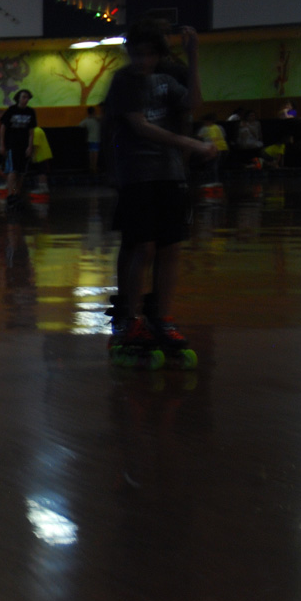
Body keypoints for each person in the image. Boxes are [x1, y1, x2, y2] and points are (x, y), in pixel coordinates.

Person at [103, 21, 215, 361]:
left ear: (160, 54)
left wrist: (193, 55)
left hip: (170, 173)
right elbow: (140, 126)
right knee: (143, 246)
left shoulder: (168, 78)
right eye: (137, 54)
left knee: (170, 247)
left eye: (149, 54)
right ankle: (131, 318)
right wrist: (190, 144)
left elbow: (192, 102)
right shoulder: (124, 81)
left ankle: (162, 317)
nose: (143, 61)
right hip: (137, 173)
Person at [0, 89, 37, 204]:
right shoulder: (11, 110)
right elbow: (3, 128)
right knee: (13, 171)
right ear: (18, 98)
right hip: (12, 145)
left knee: (21, 173)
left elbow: (31, 131)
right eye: (24, 97)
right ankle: (10, 194)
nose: (26, 100)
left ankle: (16, 193)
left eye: (27, 98)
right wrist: (2, 145)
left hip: (24, 146)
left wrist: (30, 147)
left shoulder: (30, 112)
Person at [196, 113, 228, 186]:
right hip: (222, 148)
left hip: (211, 149)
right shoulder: (219, 127)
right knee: (215, 165)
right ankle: (215, 180)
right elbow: (224, 137)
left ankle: (212, 181)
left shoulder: (204, 129)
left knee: (211, 166)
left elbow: (199, 137)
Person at [79, 106, 102, 178]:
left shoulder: (87, 120)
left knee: (91, 153)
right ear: (94, 112)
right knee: (95, 153)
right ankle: (94, 168)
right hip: (96, 139)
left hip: (90, 139)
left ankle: (91, 167)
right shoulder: (97, 119)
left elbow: (80, 125)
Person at [29, 126, 53, 194]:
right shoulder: (38, 130)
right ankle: (42, 187)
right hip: (43, 154)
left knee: (41, 172)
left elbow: (35, 145)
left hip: (41, 155)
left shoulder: (36, 131)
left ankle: (43, 188)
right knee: (41, 172)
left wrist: (32, 155)